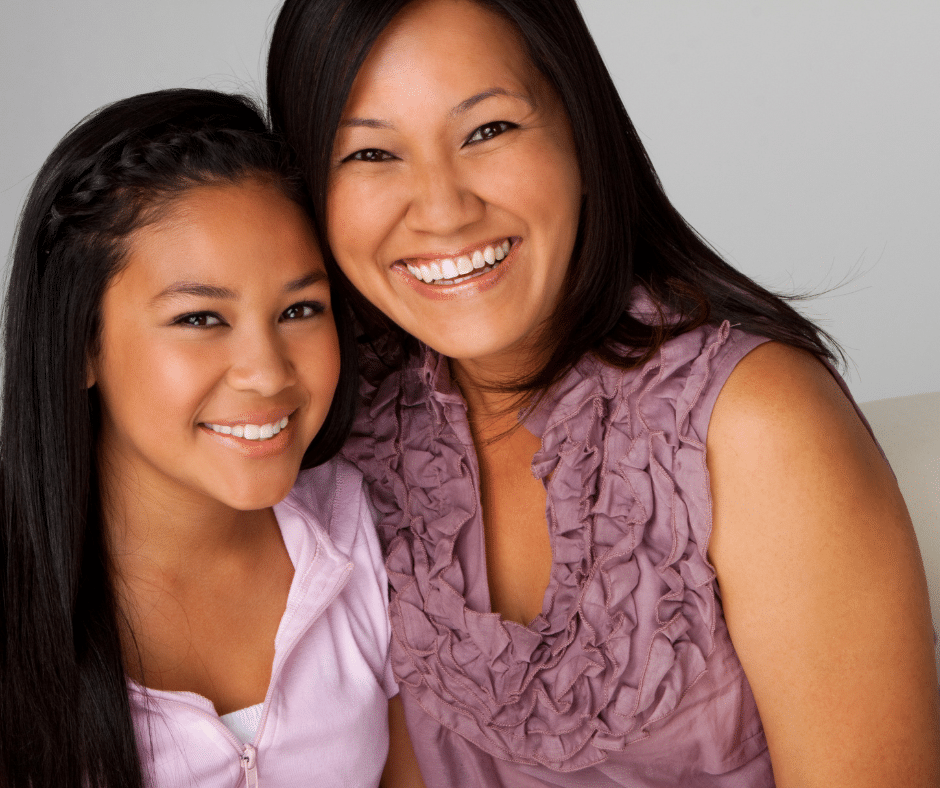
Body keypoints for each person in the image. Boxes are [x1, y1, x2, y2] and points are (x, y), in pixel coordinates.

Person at [267, 0, 940, 786]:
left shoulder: (753, 425)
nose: (443, 210)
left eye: (488, 130)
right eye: (371, 154)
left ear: (582, 134)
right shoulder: (340, 435)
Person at [0, 88, 397, 787]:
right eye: (200, 319)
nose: (267, 372)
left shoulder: (368, 531)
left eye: (300, 309)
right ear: (81, 345)